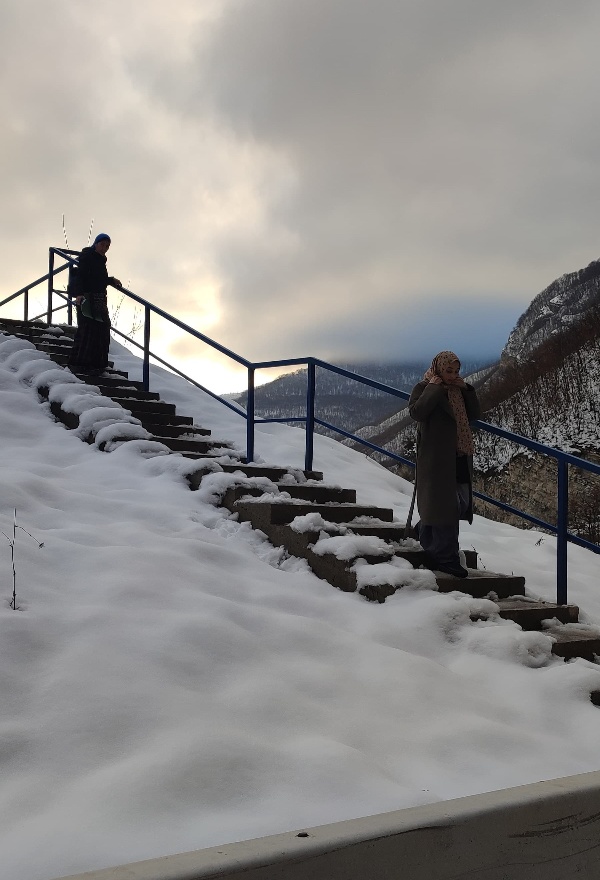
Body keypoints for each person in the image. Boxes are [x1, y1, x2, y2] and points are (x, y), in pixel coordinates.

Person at [408, 351, 481, 578]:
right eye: (448, 371)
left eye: (456, 371)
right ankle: (445, 557)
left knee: (458, 503)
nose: (452, 375)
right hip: (437, 458)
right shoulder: (424, 386)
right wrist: (434, 388)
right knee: (446, 507)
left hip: (459, 454)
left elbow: (475, 415)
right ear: (438, 368)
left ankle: (425, 532)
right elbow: (417, 412)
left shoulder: (459, 390)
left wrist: (467, 389)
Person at [68, 233, 121, 375]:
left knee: (102, 329)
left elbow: (98, 279)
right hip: (87, 298)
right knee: (88, 330)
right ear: (96, 244)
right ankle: (80, 363)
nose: (105, 248)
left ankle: (97, 364)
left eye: (107, 246)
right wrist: (79, 294)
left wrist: (111, 280)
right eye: (103, 244)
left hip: (99, 299)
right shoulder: (87, 257)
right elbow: (80, 276)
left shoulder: (101, 260)